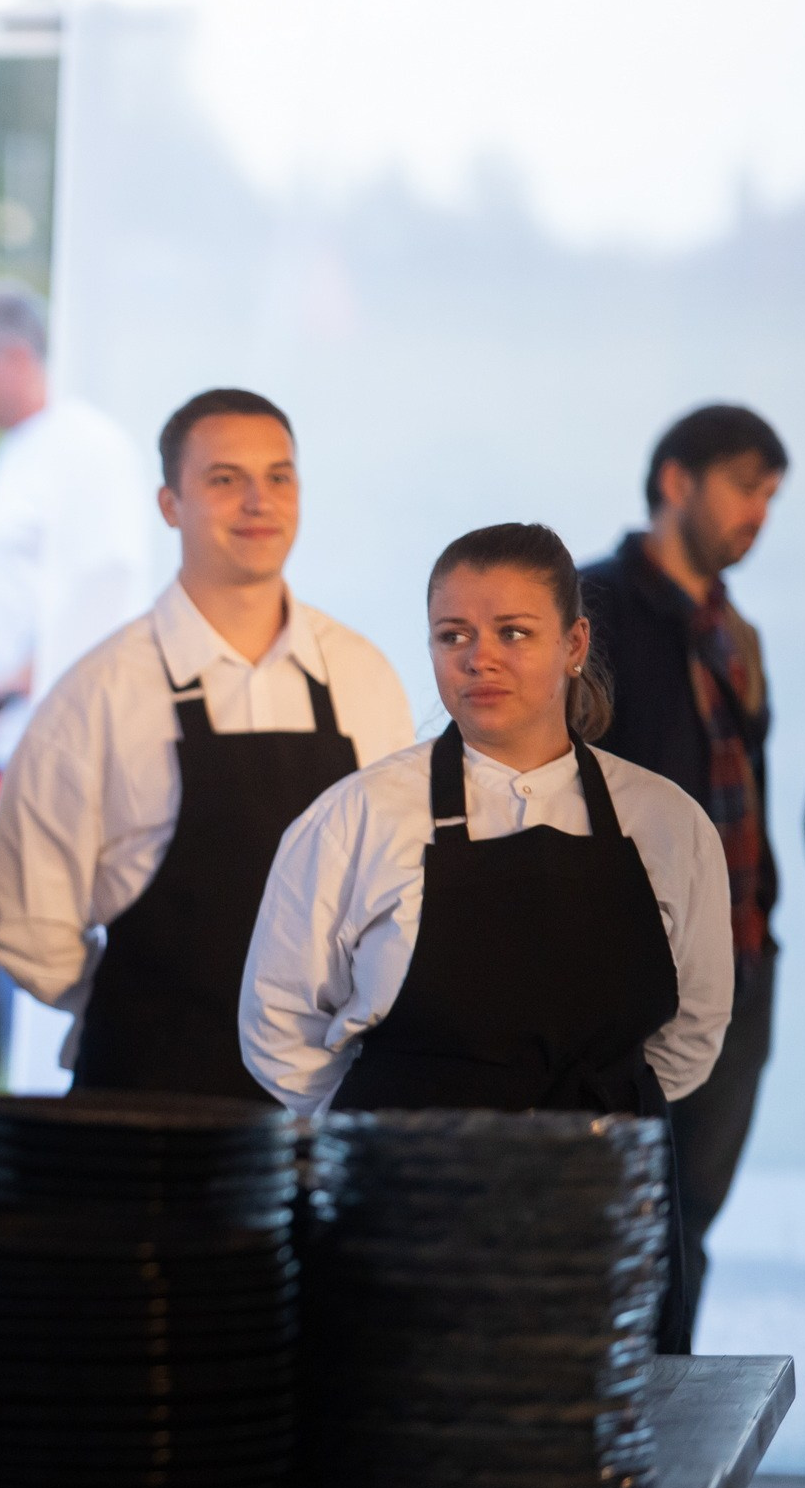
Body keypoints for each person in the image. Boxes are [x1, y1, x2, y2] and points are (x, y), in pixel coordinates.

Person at [241, 524, 731, 1349]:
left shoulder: (666, 822)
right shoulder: (357, 817)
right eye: (452, 635)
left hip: (598, 1209)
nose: (480, 658)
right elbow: (278, 1023)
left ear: (574, 643)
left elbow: (692, 1032)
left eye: (513, 632)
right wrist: (395, 1135)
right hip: (406, 1214)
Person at [0, 391, 412, 1100]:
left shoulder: (363, 676)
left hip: (323, 1103)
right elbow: (22, 922)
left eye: (279, 476)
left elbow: (402, 890)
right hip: (148, 1099)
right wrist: (130, 1001)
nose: (257, 501)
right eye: (223, 479)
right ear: (169, 503)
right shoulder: (98, 694)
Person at [580, 405, 789, 1326]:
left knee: (690, 1220)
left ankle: (667, 1442)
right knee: (616, 1215)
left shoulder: (732, 631)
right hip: (630, 972)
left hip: (741, 961)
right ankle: (605, 1441)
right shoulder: (592, 612)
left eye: (772, 495)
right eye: (747, 487)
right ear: (677, 482)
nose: (760, 513)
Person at [0, 282, 153, 752]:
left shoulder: (86, 446)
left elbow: (101, 596)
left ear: (16, 358)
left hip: (66, 736)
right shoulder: (21, 445)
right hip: (13, 734)